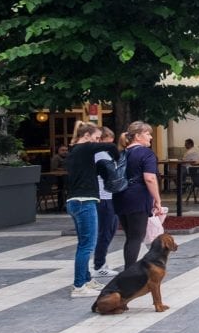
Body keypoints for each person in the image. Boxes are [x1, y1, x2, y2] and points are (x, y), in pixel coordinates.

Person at [64, 122, 113, 297]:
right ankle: (79, 287)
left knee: (84, 244)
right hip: (84, 201)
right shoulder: (83, 149)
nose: (98, 142)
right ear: (86, 136)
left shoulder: (76, 152)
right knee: (87, 245)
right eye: (96, 138)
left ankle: (85, 280)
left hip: (77, 201)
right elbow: (111, 146)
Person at [112, 121, 163, 271]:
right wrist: (157, 200)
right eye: (148, 134)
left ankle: (133, 268)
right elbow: (150, 178)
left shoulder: (122, 153)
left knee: (131, 237)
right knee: (136, 238)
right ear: (138, 136)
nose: (151, 137)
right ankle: (129, 272)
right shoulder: (146, 154)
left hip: (120, 196)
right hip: (138, 197)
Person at [92, 127, 120, 279]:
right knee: (106, 231)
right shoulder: (100, 155)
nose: (111, 142)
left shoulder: (105, 154)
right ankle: (99, 264)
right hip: (104, 197)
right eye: (107, 139)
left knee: (110, 229)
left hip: (109, 196)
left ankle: (101, 262)